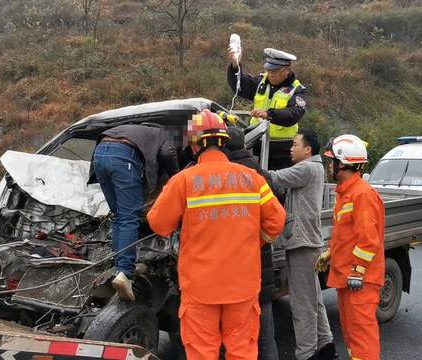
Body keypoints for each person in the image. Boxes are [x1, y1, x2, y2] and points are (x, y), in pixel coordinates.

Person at [147, 110, 285, 360]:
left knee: (202, 353)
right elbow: (277, 221)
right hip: (243, 283)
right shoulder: (252, 178)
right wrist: (256, 242)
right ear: (222, 140)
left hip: (201, 287)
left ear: (194, 143)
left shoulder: (183, 181)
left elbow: (158, 224)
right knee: (242, 352)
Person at [88, 124, 179, 301]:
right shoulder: (164, 132)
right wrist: (177, 174)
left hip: (99, 153)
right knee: (130, 217)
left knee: (119, 215)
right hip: (123, 156)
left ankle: (120, 265)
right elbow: (168, 153)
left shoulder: (134, 130)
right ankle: (125, 273)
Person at [268, 128, 337, 360]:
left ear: (307, 149)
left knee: (302, 305)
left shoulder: (307, 168)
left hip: (303, 245)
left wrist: (247, 168)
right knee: (313, 300)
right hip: (305, 243)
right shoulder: (312, 168)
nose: (291, 148)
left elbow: (275, 177)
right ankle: (326, 348)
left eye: (295, 144)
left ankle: (306, 354)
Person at [319, 134, 385, 360]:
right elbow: (348, 235)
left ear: (342, 163)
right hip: (349, 277)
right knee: (351, 335)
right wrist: (331, 253)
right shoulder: (347, 193)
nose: (329, 166)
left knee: (361, 337)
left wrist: (357, 270)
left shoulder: (361, 195)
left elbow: (368, 240)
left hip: (360, 280)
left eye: (332, 161)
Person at [224, 126, 278, 360]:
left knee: (238, 335)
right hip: (259, 261)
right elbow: (277, 212)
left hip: (236, 266)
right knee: (265, 332)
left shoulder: (226, 175)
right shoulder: (259, 173)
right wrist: (260, 240)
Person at [227, 47, 307, 170]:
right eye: (268, 71)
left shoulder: (297, 90)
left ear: (287, 71)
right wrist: (234, 66)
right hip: (255, 145)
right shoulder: (260, 82)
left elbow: (294, 114)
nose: (270, 75)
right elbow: (240, 86)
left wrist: (268, 114)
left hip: (282, 152)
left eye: (274, 72)